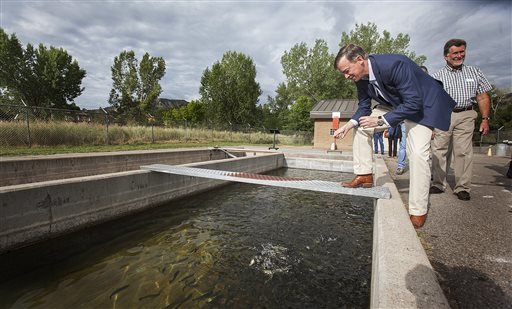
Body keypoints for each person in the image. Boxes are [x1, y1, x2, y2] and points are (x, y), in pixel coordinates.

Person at [333, 43, 456, 228]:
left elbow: (413, 103)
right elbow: (364, 107)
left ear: (359, 60)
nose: (346, 76)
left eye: (347, 70)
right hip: (397, 106)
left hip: (423, 107)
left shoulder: (395, 64)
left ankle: (418, 211)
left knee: (418, 154)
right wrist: (349, 125)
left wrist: (382, 121)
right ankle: (364, 174)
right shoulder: (360, 78)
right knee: (360, 127)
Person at [430, 39, 492, 201]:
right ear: (446, 56)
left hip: (466, 114)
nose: (459, 56)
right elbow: (431, 101)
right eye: (455, 53)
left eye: (461, 52)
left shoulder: (474, 72)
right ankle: (438, 183)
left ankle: (462, 187)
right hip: (444, 115)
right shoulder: (437, 76)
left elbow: (483, 97)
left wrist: (485, 119)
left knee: (464, 152)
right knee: (439, 149)